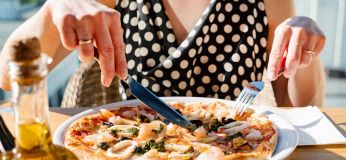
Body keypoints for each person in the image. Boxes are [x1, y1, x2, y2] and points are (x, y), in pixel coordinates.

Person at [0, 0, 326, 107]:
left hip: (233, 159)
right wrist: (51, 10)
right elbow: (8, 76)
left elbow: (297, 106)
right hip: (119, 158)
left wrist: (305, 49)